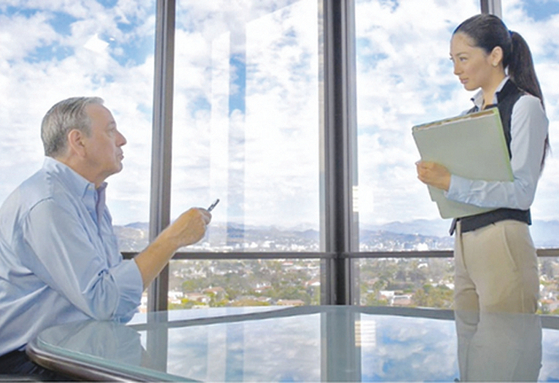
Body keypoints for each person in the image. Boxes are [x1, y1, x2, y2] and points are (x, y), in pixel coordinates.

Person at [0, 97, 211, 378]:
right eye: (111, 130)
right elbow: (105, 301)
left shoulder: (89, 200)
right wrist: (171, 239)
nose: (122, 140)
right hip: (28, 360)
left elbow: (113, 301)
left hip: (70, 348)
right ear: (79, 142)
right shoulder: (48, 204)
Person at [416, 14, 549, 314]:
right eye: (452, 60)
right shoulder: (468, 115)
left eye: (462, 58)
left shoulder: (525, 106)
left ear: (495, 55)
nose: (455, 70)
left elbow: (523, 192)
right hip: (464, 239)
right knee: (470, 352)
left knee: (505, 350)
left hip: (502, 238)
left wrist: (450, 182)